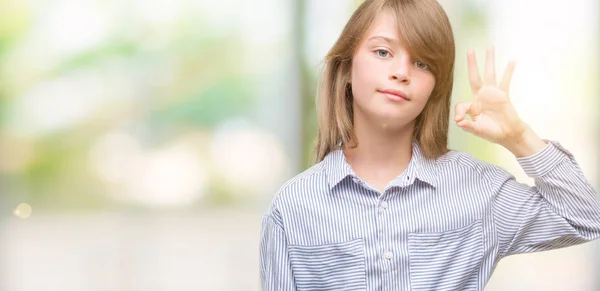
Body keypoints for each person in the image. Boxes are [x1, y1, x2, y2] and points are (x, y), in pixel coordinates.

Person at [259, 0, 600, 290]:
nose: (401, 72)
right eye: (382, 52)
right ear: (347, 67)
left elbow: (586, 217)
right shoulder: (291, 209)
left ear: (435, 88)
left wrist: (518, 136)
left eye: (422, 63)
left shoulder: (477, 189)